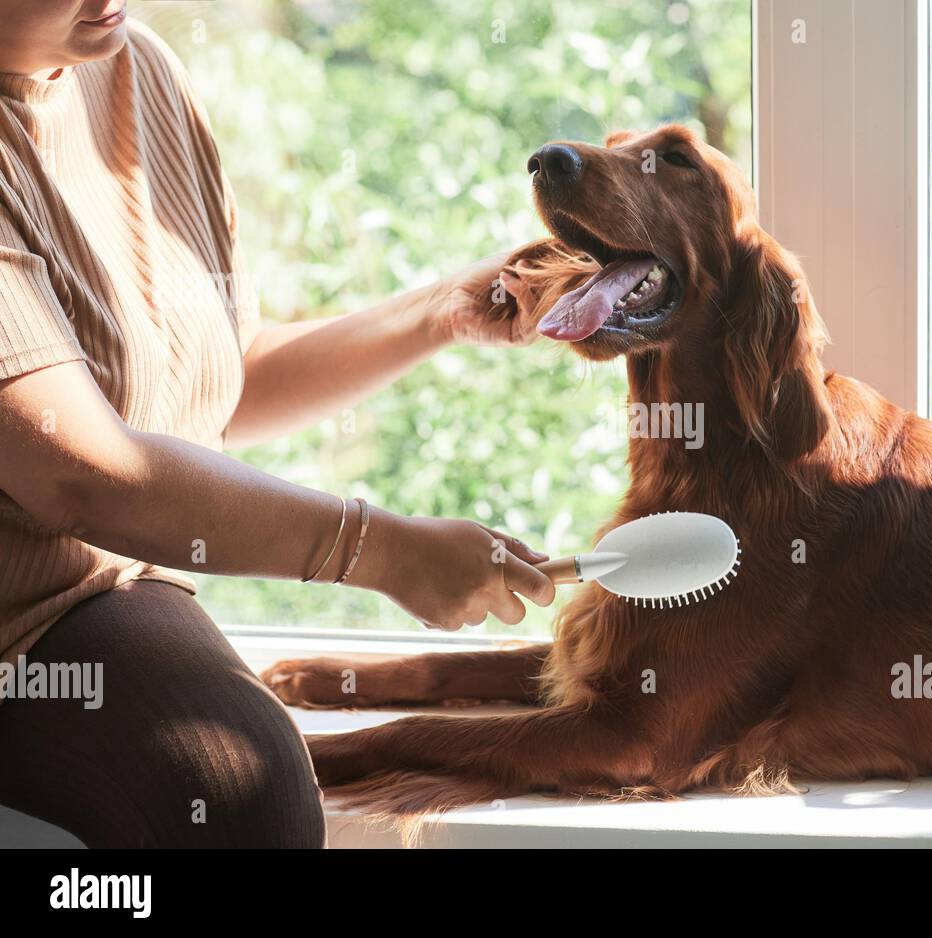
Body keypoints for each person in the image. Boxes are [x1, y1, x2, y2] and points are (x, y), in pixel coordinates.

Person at [0, 1, 553, 847]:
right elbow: (80, 473)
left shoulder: (131, 66)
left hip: (107, 586)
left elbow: (220, 377)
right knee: (235, 787)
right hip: (24, 624)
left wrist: (437, 313)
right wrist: (385, 550)